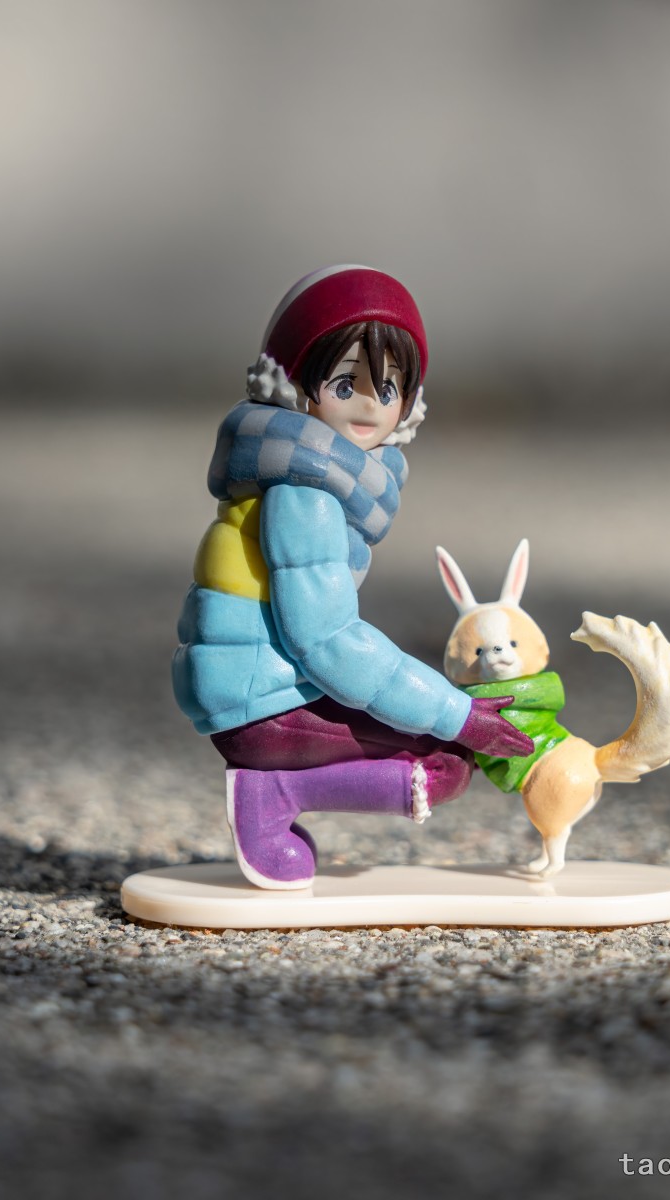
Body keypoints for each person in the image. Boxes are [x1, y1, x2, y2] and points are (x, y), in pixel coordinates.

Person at [172, 266, 532, 888]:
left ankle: (275, 793)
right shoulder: (304, 494)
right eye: (345, 383)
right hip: (260, 704)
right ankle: (272, 793)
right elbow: (328, 642)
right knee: (443, 764)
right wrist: (455, 713)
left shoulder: (305, 476)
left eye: (387, 388)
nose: (369, 404)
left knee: (440, 746)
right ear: (294, 385)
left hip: (265, 687)